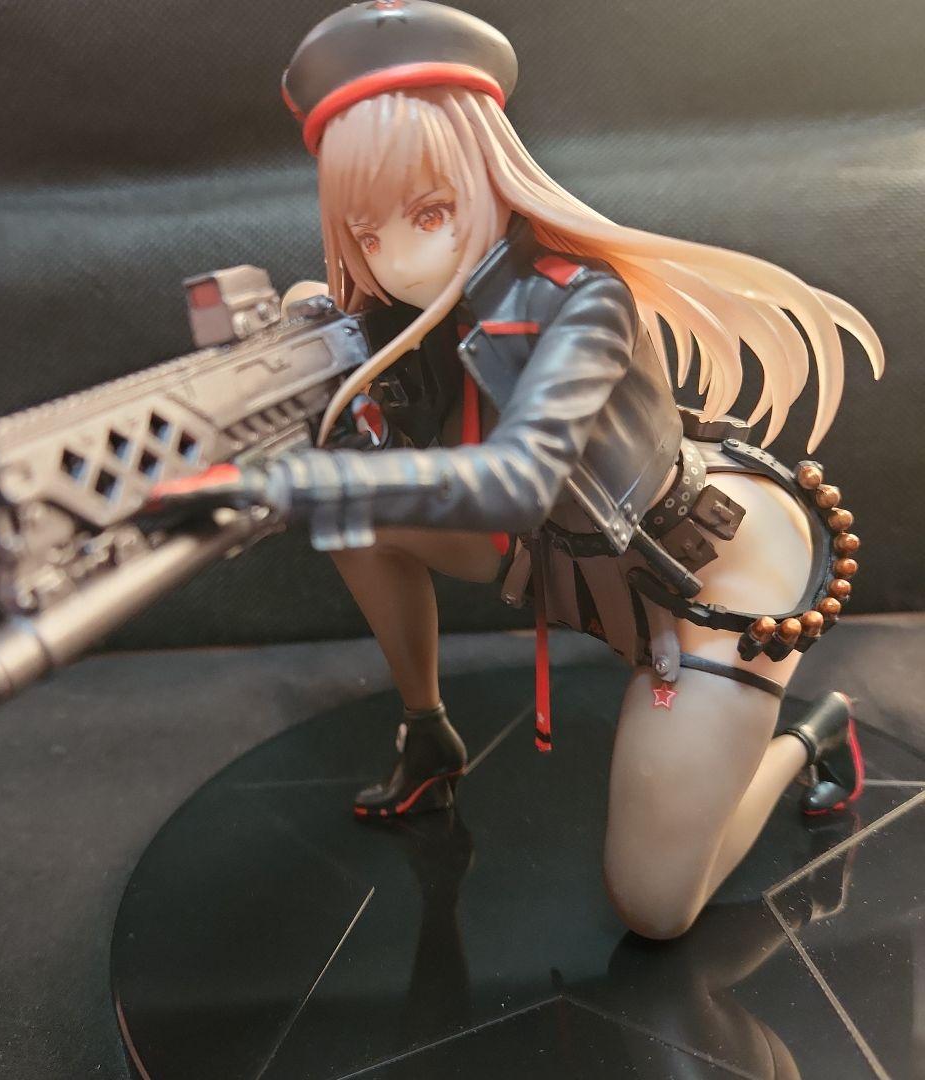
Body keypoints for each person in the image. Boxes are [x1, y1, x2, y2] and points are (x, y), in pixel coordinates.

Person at [150, 1, 883, 939]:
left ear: (491, 175)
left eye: (430, 212)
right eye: (369, 234)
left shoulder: (585, 302)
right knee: (356, 519)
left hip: (705, 579)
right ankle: (428, 731)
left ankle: (809, 734)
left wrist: (287, 485)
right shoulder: (406, 310)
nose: (402, 259)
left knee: (656, 909)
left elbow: (518, 479)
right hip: (559, 558)